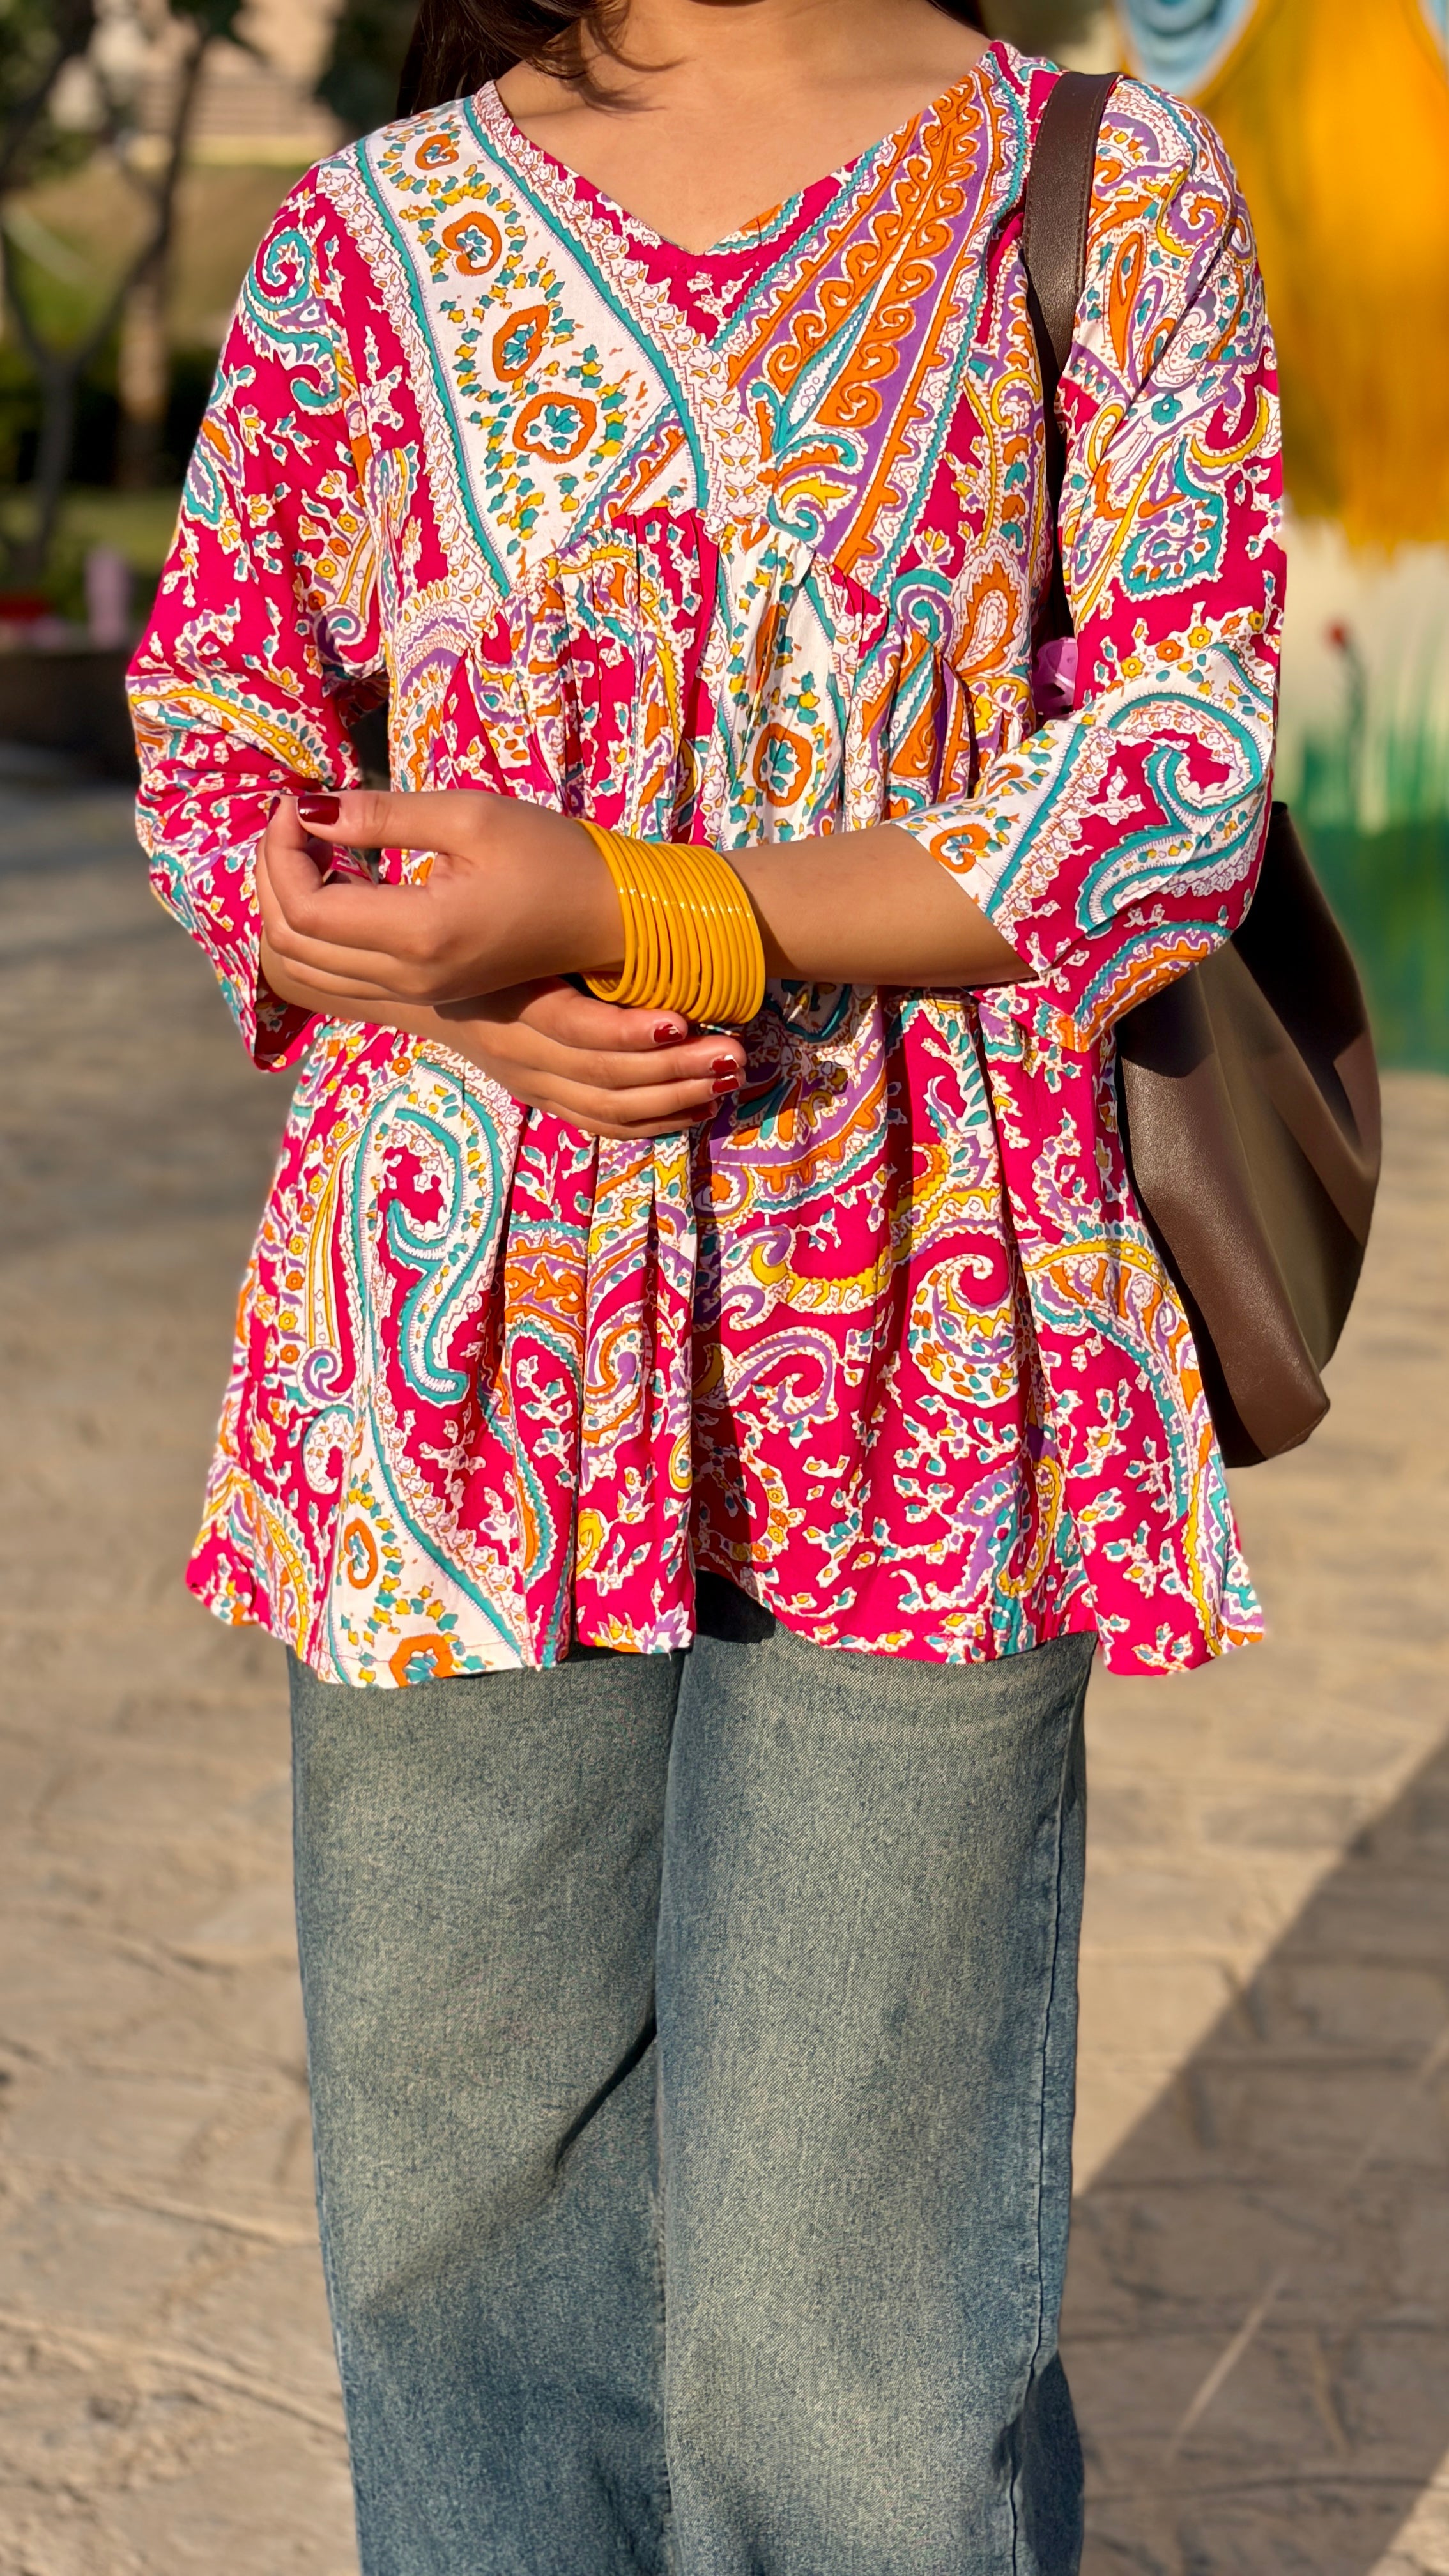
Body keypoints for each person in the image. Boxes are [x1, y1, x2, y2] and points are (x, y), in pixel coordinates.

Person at [128, 0, 1281, 2566]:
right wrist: (428, 981)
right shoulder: (372, 230)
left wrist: (649, 906)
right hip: (449, 1353)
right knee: (467, 2254)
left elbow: (1175, 774)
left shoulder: (1098, 192)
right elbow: (220, 731)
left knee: (844, 2331)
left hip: (928, 1353)